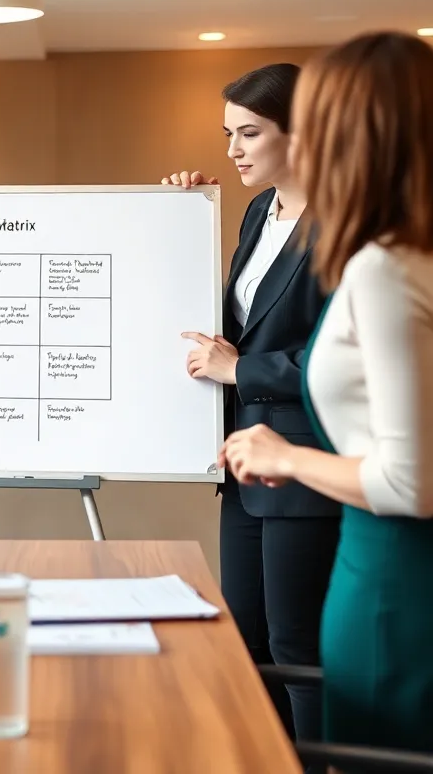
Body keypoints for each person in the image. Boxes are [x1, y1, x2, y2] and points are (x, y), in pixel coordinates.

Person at [222, 32, 433, 753]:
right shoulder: (401, 248)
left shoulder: (380, 262)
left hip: (389, 564)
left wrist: (285, 455)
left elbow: (409, 481)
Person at [162, 63, 340, 751]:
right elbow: (239, 318)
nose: (233, 149)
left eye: (250, 133)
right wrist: (181, 217)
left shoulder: (342, 226)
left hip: (303, 462)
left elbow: (344, 361)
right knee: (249, 636)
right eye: (228, 134)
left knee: (298, 644)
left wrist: (243, 370)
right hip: (240, 463)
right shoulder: (258, 212)